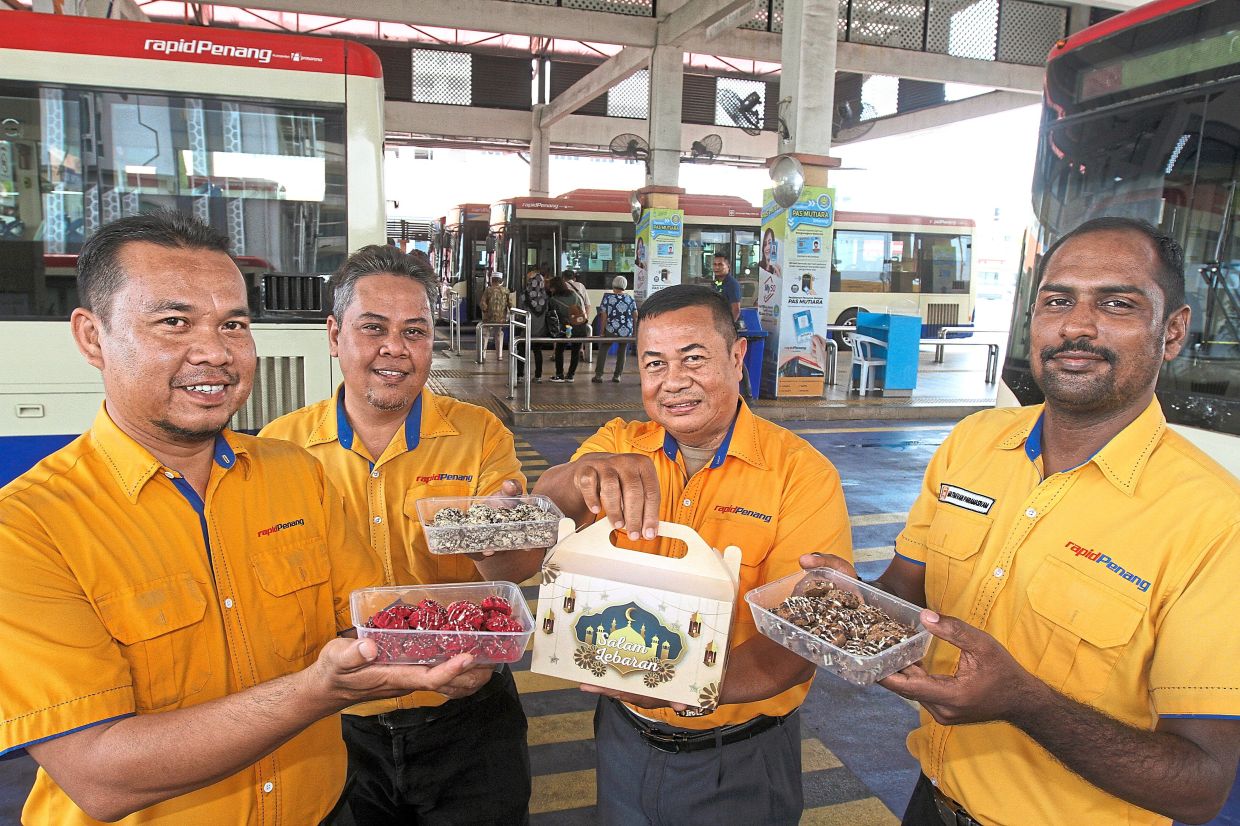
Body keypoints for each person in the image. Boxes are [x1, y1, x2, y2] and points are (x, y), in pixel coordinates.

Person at [0, 212, 482, 826]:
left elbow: (364, 621)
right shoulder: (27, 529)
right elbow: (100, 775)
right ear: (92, 337)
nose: (214, 352)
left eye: (233, 324)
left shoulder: (296, 474)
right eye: (174, 323)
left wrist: (451, 649)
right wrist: (318, 690)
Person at [804, 217, 1240, 826]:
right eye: (1057, 301)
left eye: (1116, 304)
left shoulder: (1215, 521)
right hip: (930, 801)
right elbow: (905, 596)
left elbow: (1200, 786)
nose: (1077, 326)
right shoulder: (975, 442)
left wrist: (1024, 704)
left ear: (1172, 332)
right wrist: (843, 597)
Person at [534, 284, 852, 825]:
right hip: (623, 738)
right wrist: (581, 475)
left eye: (694, 359)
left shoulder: (801, 475)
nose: (674, 382)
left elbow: (800, 645)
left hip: (741, 757)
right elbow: (550, 501)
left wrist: (683, 685)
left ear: (736, 357)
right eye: (654, 363)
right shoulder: (622, 441)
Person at [260, 245, 542, 825]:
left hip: (467, 711)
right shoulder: (279, 448)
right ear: (335, 335)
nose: (395, 349)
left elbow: (510, 573)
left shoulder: (479, 433)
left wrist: (499, 537)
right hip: (336, 723)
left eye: (414, 331)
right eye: (374, 328)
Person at [592, 275, 637, 384]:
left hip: (611, 329)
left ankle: (598, 375)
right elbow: (635, 315)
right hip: (626, 330)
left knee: (604, 349)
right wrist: (634, 331)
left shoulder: (608, 298)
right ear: (625, 286)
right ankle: (617, 376)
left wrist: (602, 331)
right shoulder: (630, 298)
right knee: (622, 352)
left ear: (613, 285)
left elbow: (603, 316)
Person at [548, 275, 588, 383]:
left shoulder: (553, 300)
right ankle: (570, 376)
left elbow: (553, 316)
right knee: (575, 351)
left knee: (559, 350)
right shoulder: (574, 295)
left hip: (564, 328)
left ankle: (560, 375)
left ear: (554, 287)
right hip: (579, 327)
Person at [517, 267, 548, 382]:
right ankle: (538, 376)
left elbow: (520, 312)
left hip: (527, 329)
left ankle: (520, 375)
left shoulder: (525, 296)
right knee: (537, 352)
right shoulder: (545, 297)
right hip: (540, 330)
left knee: (522, 351)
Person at [479, 273, 512, 360]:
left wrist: (486, 311)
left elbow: (482, 303)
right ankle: (499, 356)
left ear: (492, 280)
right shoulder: (506, 291)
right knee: (498, 334)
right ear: (501, 280)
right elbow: (511, 305)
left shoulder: (488, 290)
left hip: (488, 318)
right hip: (501, 318)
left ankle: (483, 355)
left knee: (485, 334)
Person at [711, 252, 742, 324]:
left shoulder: (732, 284)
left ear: (728, 266)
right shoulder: (715, 283)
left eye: (720, 264)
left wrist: (729, 326)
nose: (717, 267)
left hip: (727, 324)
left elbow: (736, 309)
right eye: (715, 264)